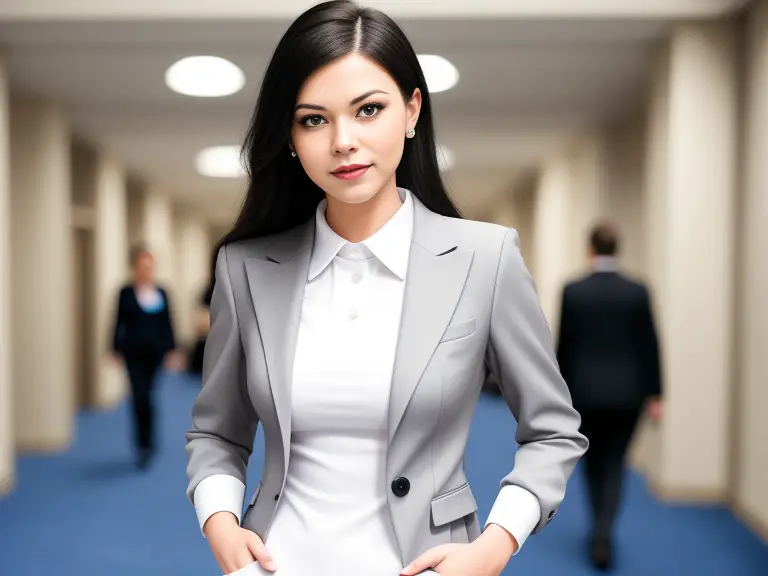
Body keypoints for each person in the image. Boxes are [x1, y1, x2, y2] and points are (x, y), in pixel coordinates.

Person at [184, 2, 588, 576]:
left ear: (411, 111)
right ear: (291, 137)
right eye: (313, 119)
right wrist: (220, 524)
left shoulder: (485, 258)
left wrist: (493, 547)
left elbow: (553, 432)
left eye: (368, 110)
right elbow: (216, 431)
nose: (343, 141)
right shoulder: (244, 267)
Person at [555, 222, 663, 571]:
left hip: (584, 394)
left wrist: (559, 394)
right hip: (628, 397)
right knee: (615, 462)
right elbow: (650, 344)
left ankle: (598, 529)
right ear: (618, 249)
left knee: (592, 461)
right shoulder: (637, 290)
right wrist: (656, 393)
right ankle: (604, 531)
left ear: (590, 250)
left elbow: (564, 348)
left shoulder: (573, 291)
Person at [111, 244, 181, 468]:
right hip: (133, 353)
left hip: (155, 353)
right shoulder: (126, 292)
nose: (146, 270)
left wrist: (172, 350)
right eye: (142, 265)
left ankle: (150, 442)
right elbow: (117, 322)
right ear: (134, 267)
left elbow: (168, 323)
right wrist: (113, 348)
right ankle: (141, 443)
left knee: (149, 396)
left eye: (149, 266)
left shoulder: (161, 292)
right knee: (138, 396)